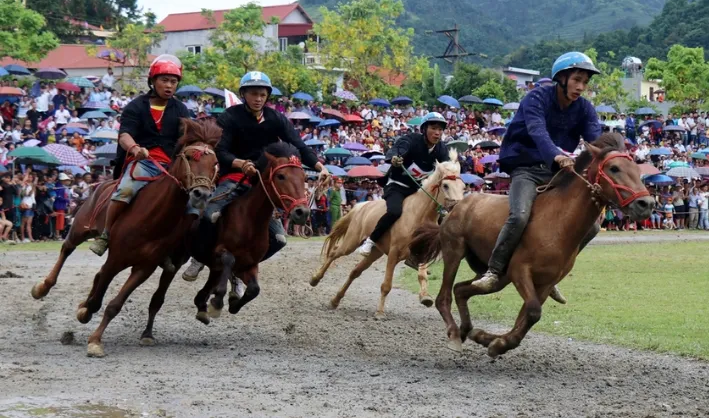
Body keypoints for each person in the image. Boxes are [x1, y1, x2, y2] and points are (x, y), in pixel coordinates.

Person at [471, 51, 603, 301]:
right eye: (576, 79)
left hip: (557, 171)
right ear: (561, 78)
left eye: (585, 82)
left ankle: (551, 276)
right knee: (519, 216)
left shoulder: (585, 108)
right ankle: (494, 270)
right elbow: (537, 132)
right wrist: (556, 155)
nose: (581, 86)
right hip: (526, 167)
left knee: (593, 226)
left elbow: (596, 141)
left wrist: (613, 157)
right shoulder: (536, 98)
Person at [182, 71, 328, 284]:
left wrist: (319, 166)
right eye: (253, 94)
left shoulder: (276, 118)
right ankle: (199, 257)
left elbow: (299, 145)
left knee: (278, 240)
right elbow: (220, 150)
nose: (258, 98)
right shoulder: (230, 116)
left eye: (262, 94)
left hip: (262, 182)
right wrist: (240, 163)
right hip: (233, 176)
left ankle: (241, 269)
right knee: (209, 215)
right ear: (243, 94)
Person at [89, 54, 191, 265]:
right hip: (144, 162)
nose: (169, 85)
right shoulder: (136, 106)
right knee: (125, 189)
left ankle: (178, 245)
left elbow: (188, 136)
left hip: (171, 166)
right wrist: (135, 148)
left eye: (173, 81)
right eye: (164, 80)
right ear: (152, 81)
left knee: (195, 199)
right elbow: (124, 134)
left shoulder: (181, 109)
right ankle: (106, 234)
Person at [357, 112, 449, 265]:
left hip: (418, 191)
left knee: (439, 216)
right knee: (394, 211)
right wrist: (394, 158)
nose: (437, 133)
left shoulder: (441, 149)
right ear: (424, 129)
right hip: (397, 186)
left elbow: (446, 166)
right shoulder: (411, 140)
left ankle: (417, 257)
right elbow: (397, 150)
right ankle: (371, 240)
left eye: (440, 129)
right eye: (433, 128)